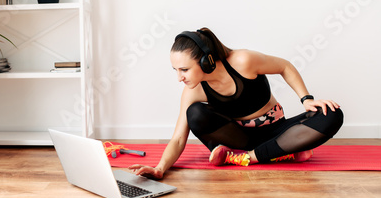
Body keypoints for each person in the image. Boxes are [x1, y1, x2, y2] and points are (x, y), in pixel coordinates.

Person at [129, 27, 343, 179]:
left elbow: (284, 66)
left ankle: (249, 158)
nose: (179, 77)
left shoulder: (243, 61)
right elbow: (177, 139)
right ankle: (280, 152)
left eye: (184, 70)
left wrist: (306, 100)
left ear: (207, 60)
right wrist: (159, 168)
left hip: (277, 130)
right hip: (240, 139)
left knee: (332, 114)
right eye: (175, 70)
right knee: (194, 113)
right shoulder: (193, 92)